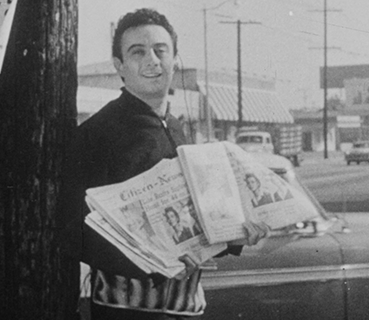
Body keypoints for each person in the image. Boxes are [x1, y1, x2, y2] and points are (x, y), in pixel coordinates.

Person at [57, 8, 267, 320]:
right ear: (120, 66)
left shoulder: (180, 129)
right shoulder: (96, 134)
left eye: (160, 50)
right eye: (137, 52)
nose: (152, 60)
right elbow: (72, 232)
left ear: (174, 60)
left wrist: (234, 236)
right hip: (128, 310)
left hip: (187, 307)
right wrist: (152, 263)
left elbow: (192, 229)